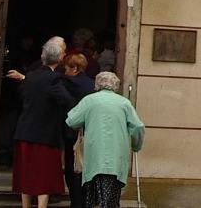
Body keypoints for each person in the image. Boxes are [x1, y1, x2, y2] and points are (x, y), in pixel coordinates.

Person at [9, 39, 73, 208]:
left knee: (26, 174)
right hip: (44, 135)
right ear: (59, 59)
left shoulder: (30, 76)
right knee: (43, 177)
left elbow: (23, 95)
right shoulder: (54, 79)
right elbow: (67, 101)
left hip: (24, 131)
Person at [66, 72, 145, 208]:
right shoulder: (124, 103)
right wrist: (136, 145)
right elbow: (138, 126)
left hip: (93, 158)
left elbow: (72, 120)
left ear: (97, 84)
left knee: (93, 199)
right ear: (116, 86)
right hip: (116, 159)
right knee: (111, 201)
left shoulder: (89, 100)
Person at [61, 54, 95, 208]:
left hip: (72, 131)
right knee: (85, 168)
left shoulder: (66, 82)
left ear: (74, 69)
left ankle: (76, 202)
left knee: (72, 168)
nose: (65, 71)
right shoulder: (92, 84)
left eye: (66, 68)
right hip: (89, 132)